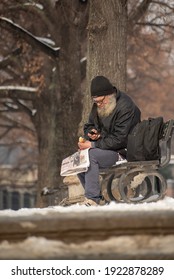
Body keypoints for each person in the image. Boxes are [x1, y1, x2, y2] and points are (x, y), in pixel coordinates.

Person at [77, 75, 141, 206]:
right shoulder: (99, 105)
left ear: (109, 95)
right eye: (96, 102)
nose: (99, 104)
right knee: (79, 158)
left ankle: (92, 198)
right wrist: (91, 133)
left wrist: (94, 143)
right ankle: (97, 197)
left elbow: (120, 139)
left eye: (101, 101)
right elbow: (89, 124)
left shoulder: (125, 106)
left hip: (124, 151)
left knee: (90, 155)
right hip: (108, 147)